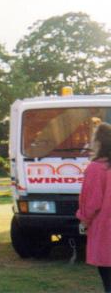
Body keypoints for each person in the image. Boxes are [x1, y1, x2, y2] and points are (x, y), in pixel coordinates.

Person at [77, 122, 111, 293]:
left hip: (105, 230)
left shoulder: (96, 169)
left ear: (100, 142)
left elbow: (91, 203)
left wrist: (83, 220)